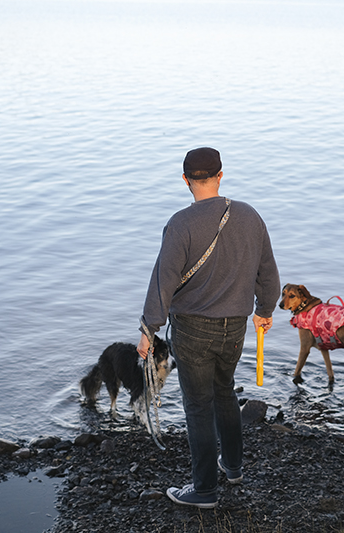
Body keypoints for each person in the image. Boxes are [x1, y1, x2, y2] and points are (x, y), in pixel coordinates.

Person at [137, 147, 280, 509]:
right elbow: (268, 271)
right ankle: (232, 467)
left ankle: (204, 491)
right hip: (235, 327)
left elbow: (162, 282)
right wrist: (264, 309)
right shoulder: (249, 215)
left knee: (198, 406)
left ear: (185, 180)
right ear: (220, 175)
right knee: (225, 392)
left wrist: (148, 328)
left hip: (192, 329)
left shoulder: (181, 223)